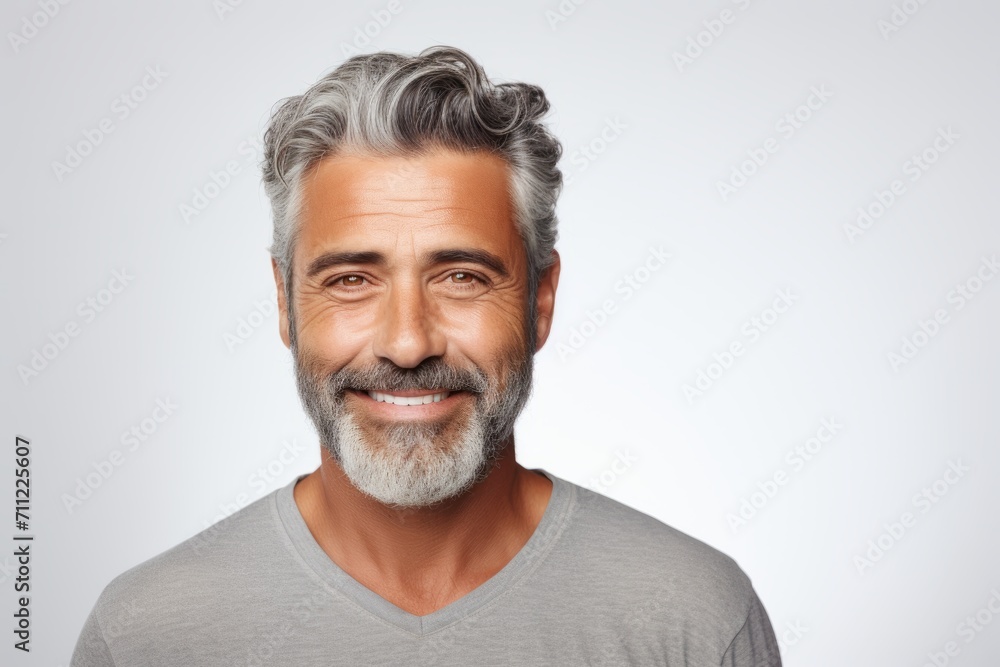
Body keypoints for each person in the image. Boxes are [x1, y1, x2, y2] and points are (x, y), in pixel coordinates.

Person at [71, 45, 782, 666]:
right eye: (352, 279)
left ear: (541, 299)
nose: (408, 342)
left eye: (462, 277)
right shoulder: (145, 637)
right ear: (286, 303)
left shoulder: (695, 621)